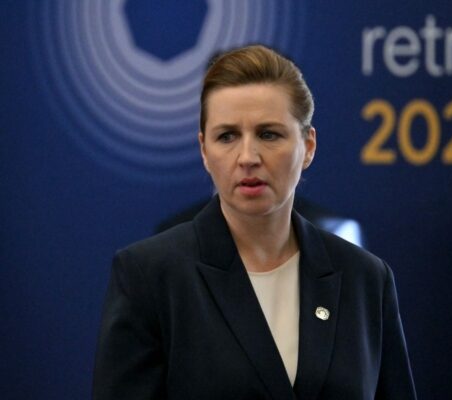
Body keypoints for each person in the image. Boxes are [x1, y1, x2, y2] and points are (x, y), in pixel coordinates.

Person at [93, 45, 417, 399]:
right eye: (227, 136)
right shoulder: (149, 276)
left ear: (308, 146)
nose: (247, 157)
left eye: (268, 134)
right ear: (204, 150)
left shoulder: (365, 279)